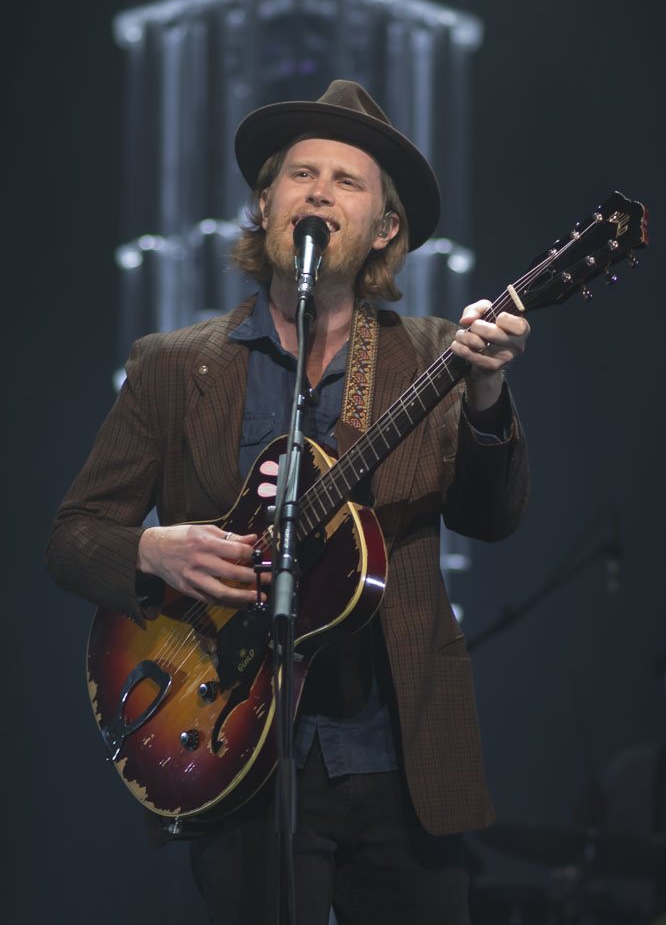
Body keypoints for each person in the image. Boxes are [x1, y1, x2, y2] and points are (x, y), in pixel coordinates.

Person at [46, 79, 531, 924]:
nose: (317, 191)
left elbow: (492, 521)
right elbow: (71, 537)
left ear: (384, 228)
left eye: (346, 181)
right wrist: (152, 551)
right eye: (300, 173)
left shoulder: (432, 355)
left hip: (400, 757)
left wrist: (486, 395)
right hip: (236, 748)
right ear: (265, 202)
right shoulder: (171, 365)